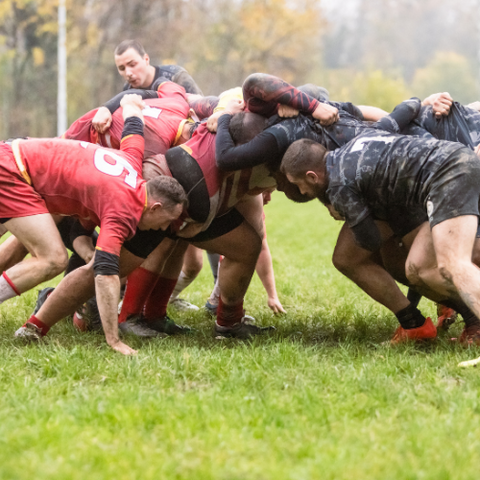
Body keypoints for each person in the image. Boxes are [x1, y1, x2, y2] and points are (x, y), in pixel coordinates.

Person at [7, 94, 187, 355]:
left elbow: (134, 127)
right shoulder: (123, 211)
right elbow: (105, 276)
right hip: (14, 172)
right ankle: (35, 326)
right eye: (166, 222)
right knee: (53, 259)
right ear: (155, 207)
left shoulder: (133, 165)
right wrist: (113, 339)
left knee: (44, 253)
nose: (163, 229)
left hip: (15, 156)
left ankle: (34, 327)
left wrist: (130, 103)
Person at [280, 115, 480, 344]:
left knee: (453, 264)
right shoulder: (356, 142)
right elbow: (398, 115)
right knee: (418, 269)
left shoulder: (339, 186)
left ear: (311, 176)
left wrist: (350, 214)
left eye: (299, 186)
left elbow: (372, 241)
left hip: (449, 173)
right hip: (450, 165)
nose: (302, 193)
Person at [114, 39, 203, 95]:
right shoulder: (128, 89)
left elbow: (204, 109)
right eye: (122, 68)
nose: (128, 73)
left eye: (132, 65)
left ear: (146, 59)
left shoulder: (175, 77)